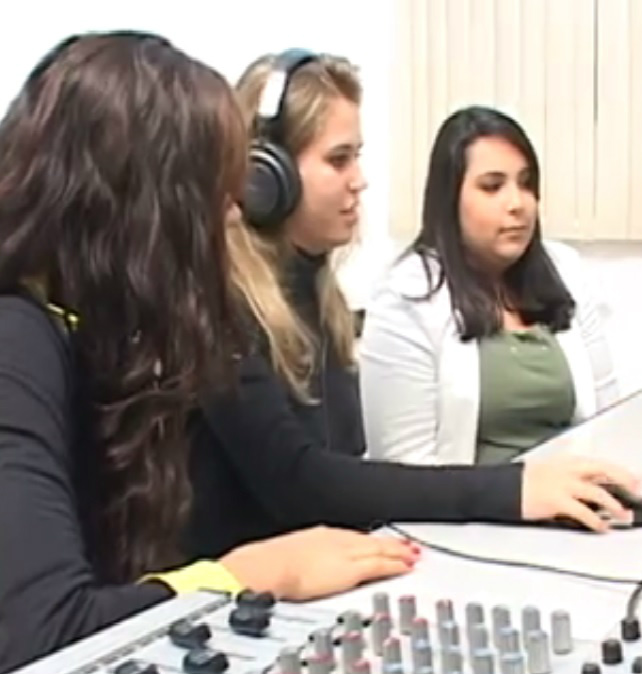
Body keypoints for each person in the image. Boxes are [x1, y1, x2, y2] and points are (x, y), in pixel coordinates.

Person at [0, 33, 423, 674]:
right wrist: (243, 575)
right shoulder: (16, 340)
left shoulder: (95, 334)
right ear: (140, 203)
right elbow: (47, 639)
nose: (233, 217)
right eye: (212, 192)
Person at [182, 51, 641, 563]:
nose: (360, 179)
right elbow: (298, 481)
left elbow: (347, 471)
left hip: (322, 575)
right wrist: (512, 491)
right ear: (264, 175)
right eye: (339, 160)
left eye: (358, 156)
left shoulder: (315, 292)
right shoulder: (219, 303)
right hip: (237, 603)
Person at [359, 105, 619, 465]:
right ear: (450, 201)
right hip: (465, 516)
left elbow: (608, 422)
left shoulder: (565, 271)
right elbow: (403, 472)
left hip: (573, 507)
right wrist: (520, 499)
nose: (517, 204)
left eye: (526, 184)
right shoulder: (406, 297)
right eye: (492, 187)